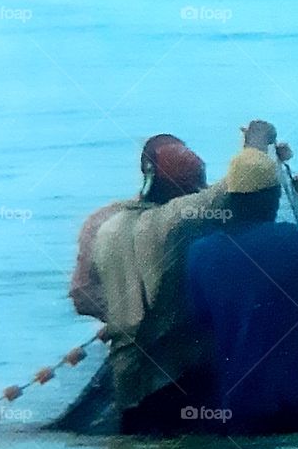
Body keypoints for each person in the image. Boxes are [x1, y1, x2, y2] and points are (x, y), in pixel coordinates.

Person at [91, 139, 235, 433]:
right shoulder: (174, 220)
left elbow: (85, 296)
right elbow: (228, 190)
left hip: (128, 386)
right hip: (176, 380)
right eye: (196, 185)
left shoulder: (107, 228)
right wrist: (256, 142)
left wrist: (124, 316)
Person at [186, 147, 298, 435]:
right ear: (273, 197)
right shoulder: (290, 239)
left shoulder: (200, 252)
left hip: (237, 404)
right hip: (297, 396)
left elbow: (199, 319)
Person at [69, 134, 204, 320]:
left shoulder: (102, 220)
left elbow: (82, 294)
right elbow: (83, 294)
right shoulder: (201, 214)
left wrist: (124, 315)